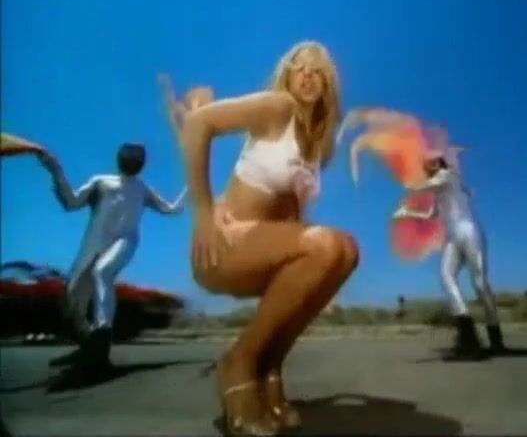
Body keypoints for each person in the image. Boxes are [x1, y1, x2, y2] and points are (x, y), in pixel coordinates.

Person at [162, 40, 359, 436]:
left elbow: (291, 217)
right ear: (286, 75)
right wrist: (204, 213)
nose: (307, 75)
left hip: (263, 248)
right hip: (223, 244)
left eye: (317, 71)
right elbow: (198, 125)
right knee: (328, 245)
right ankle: (239, 363)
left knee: (346, 251)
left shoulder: (318, 145)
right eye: (299, 67)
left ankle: (270, 367)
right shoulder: (277, 107)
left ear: (328, 84)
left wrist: (315, 280)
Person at [38, 143, 187, 370]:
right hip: (93, 246)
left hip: (124, 242)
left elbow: (170, 208)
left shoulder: (142, 189)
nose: (134, 161)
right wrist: (55, 170)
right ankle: (89, 349)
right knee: (72, 299)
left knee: (103, 271)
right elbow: (71, 202)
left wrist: (188, 192)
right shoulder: (101, 182)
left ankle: (102, 335)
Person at [393, 154, 508, 361]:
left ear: (440, 164)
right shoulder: (438, 191)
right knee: (446, 276)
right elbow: (431, 215)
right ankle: (467, 335)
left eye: (433, 161)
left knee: (480, 284)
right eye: (426, 163)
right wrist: (408, 213)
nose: (429, 164)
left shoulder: (448, 176)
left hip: (470, 232)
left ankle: (496, 339)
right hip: (452, 237)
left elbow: (427, 185)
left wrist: (409, 185)